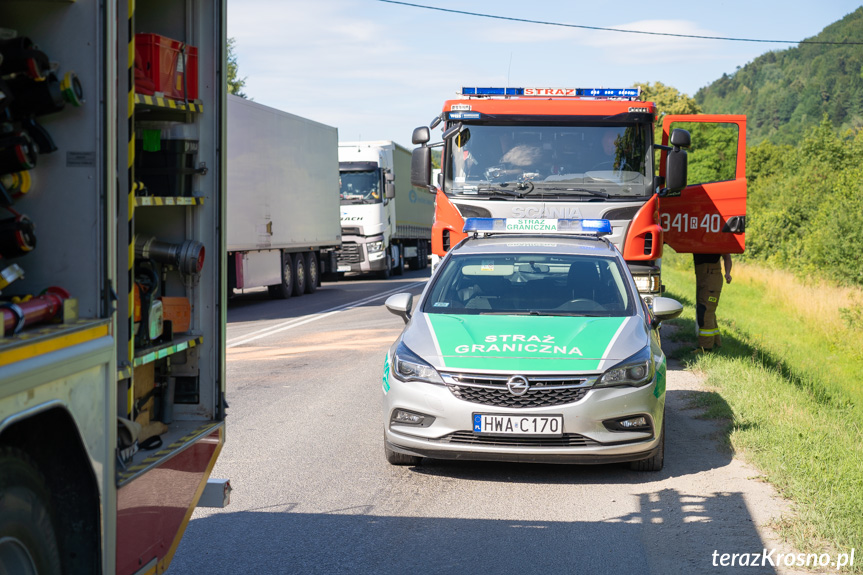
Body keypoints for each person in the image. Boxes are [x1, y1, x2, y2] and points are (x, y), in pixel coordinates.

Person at [693, 253, 732, 351]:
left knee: (705, 311)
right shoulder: (699, 240)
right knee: (708, 311)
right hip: (703, 277)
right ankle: (716, 343)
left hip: (711, 278)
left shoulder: (716, 240)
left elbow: (727, 256)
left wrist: (727, 273)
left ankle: (705, 348)